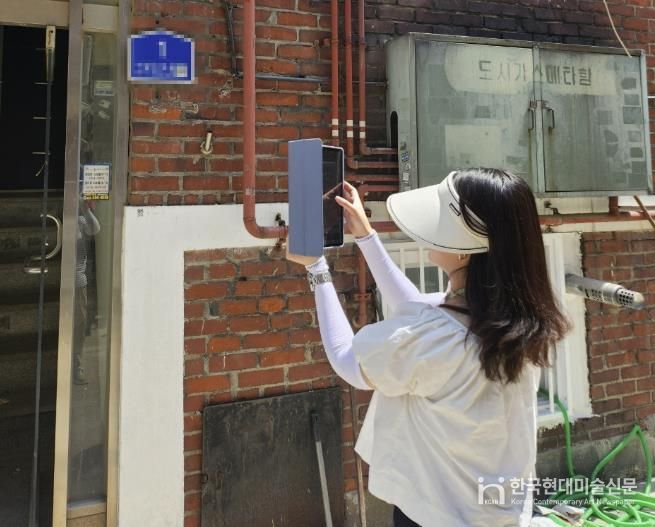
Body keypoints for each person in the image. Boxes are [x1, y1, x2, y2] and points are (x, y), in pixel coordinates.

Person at [286, 168, 570, 527]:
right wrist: (366, 237)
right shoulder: (515, 318)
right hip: (497, 512)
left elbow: (348, 360)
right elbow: (418, 309)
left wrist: (317, 268)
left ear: (464, 251)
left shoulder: (436, 337)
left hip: (435, 516)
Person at [73, 197, 100, 385]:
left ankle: (77, 364)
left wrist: (86, 209)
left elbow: (95, 228)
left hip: (78, 282)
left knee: (80, 326)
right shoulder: (61, 220)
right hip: (66, 279)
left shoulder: (81, 220)